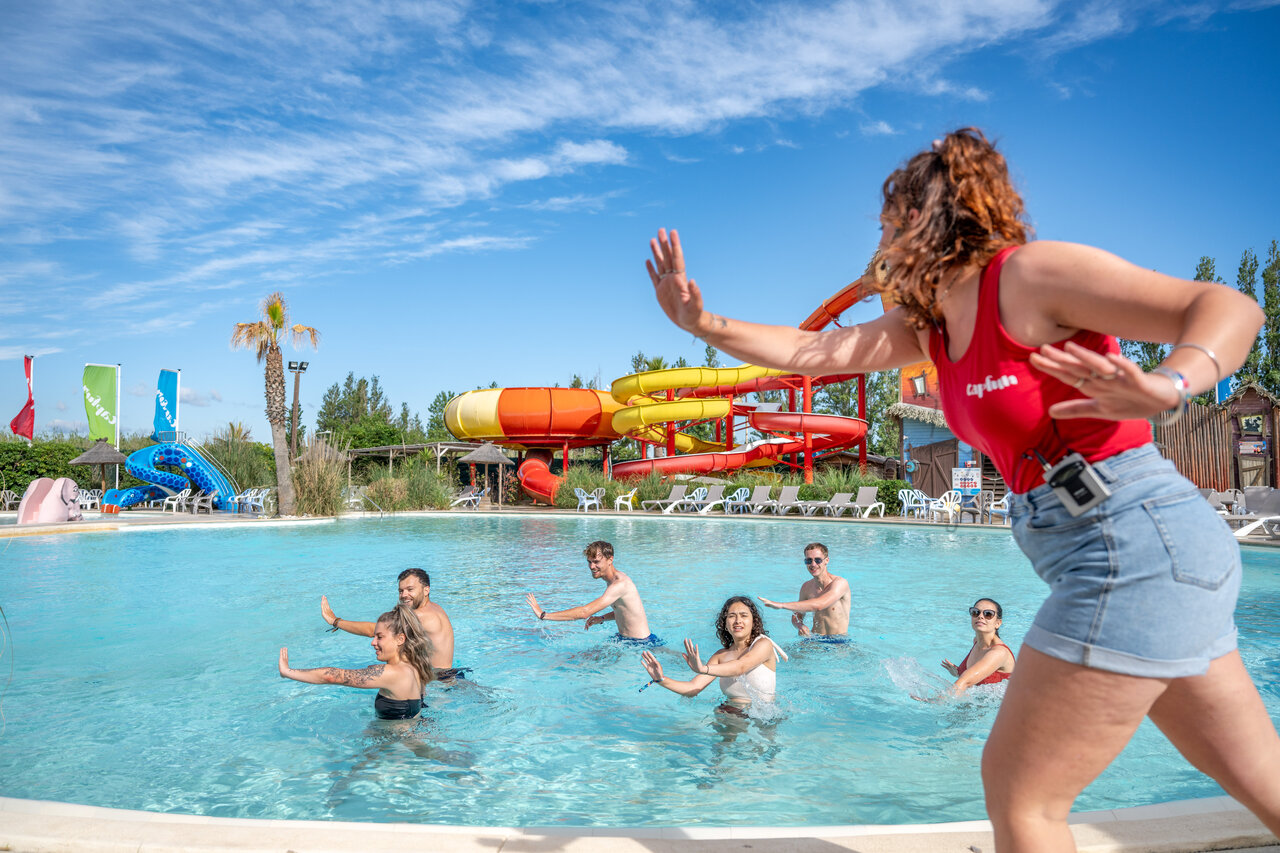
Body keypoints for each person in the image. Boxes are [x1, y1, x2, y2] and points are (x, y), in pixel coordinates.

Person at [646, 127, 1280, 850]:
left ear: (928, 219)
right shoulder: (933, 328)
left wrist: (1168, 384)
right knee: (1262, 778)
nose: (879, 236)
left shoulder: (1028, 277)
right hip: (1136, 550)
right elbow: (811, 351)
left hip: (1130, 541)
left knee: (1021, 796)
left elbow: (1228, 307)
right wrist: (702, 322)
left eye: (889, 220)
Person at [279, 603, 434, 720]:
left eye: (379, 637)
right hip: (408, 737)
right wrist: (335, 621)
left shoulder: (391, 673)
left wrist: (288, 672)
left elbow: (332, 676)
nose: (373, 642)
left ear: (400, 639)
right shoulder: (416, 664)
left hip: (395, 750)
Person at [640, 596, 787, 714]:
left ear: (754, 621)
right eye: (731, 616)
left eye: (744, 616)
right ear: (724, 623)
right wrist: (661, 679)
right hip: (731, 711)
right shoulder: (720, 656)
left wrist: (704, 669)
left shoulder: (763, 645)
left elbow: (741, 666)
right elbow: (693, 687)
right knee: (721, 726)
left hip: (763, 713)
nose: (738, 621)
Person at [321, 568, 462, 680]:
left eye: (410, 589)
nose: (404, 595)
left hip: (437, 682)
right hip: (448, 676)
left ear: (426, 590)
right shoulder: (435, 608)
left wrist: (335, 621)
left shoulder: (420, 615)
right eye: (401, 591)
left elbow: (375, 630)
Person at [526, 540, 656, 643]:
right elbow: (625, 611)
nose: (591, 567)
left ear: (610, 559)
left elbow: (584, 612)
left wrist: (543, 615)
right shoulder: (613, 580)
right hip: (625, 640)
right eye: (589, 562)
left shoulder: (620, 584)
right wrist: (602, 618)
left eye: (596, 562)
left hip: (640, 644)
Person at [756, 542, 851, 637]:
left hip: (838, 642)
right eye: (809, 560)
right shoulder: (806, 587)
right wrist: (799, 625)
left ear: (826, 560)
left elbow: (819, 605)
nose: (813, 564)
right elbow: (797, 614)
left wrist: (781, 605)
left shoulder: (840, 583)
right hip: (815, 639)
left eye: (818, 560)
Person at [942, 598, 1015, 695]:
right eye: (975, 612)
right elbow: (972, 679)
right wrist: (958, 673)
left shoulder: (999, 653)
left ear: (998, 623)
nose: (980, 616)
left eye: (988, 614)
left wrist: (934, 702)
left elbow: (966, 682)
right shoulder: (977, 641)